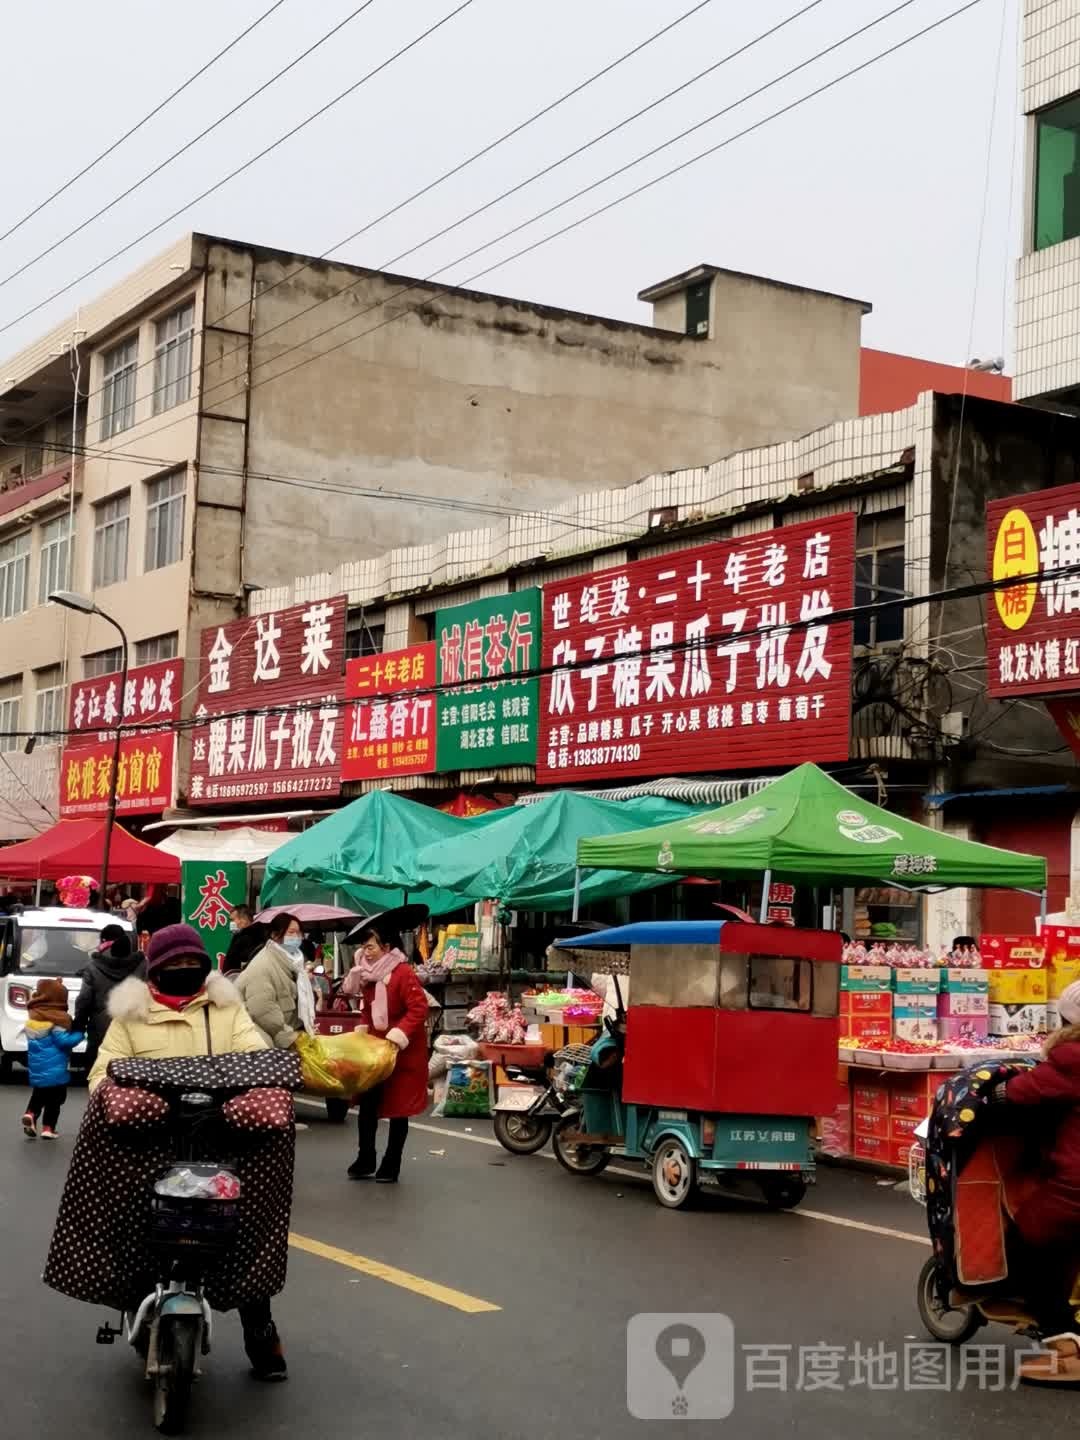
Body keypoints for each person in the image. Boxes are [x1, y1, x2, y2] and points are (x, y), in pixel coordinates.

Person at [77, 924, 289, 1379]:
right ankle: (135, 1301)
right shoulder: (130, 1016)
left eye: (192, 964)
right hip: (151, 1143)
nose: (184, 971)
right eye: (173, 966)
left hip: (218, 1137)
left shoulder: (227, 1009)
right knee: (132, 1219)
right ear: (155, 971)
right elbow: (102, 1076)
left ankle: (261, 1330)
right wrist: (134, 1104)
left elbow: (255, 1058)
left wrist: (236, 1102)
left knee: (248, 1222)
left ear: (205, 966)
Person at [1006, 980, 1080, 1383]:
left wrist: (1001, 1090)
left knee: (1030, 1235)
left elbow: (1020, 1092)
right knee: (1066, 1250)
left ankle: (1062, 1341)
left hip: (1074, 1184)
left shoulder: (1071, 1060)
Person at [342, 914, 430, 1183]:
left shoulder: (403, 973)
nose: (365, 952)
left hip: (402, 1052)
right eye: (364, 947)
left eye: (371, 947)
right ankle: (365, 1157)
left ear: (386, 947)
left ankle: (391, 1163)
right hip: (375, 1050)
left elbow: (419, 1008)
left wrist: (397, 1035)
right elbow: (367, 1009)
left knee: (398, 1110)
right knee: (368, 1105)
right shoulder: (367, 973)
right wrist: (365, 1034)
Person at [234, 913, 315, 1049]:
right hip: (259, 1041)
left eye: (299, 933)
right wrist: (291, 1039)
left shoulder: (294, 963)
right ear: (275, 935)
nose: (297, 937)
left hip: (280, 1036)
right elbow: (262, 1010)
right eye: (291, 932)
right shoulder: (263, 965)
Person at [72, 924, 146, 1072]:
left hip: (100, 1026)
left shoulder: (93, 967)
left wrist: (79, 1024)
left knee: (98, 1072)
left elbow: (84, 1000)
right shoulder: (143, 965)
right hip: (134, 1025)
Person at [22, 978, 83, 1139]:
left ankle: (31, 1113)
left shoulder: (33, 1018)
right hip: (56, 1069)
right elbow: (64, 1042)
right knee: (55, 1100)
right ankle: (48, 1128)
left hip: (37, 1068)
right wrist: (79, 1034)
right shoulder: (57, 1021)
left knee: (39, 1093)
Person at [222, 906, 266, 974]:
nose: (232, 923)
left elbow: (246, 958)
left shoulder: (253, 936)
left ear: (243, 919)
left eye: (233, 920)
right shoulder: (241, 934)